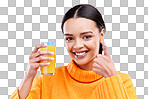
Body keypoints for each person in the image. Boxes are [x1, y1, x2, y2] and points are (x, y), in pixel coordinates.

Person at [10, 4, 137, 99]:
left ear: (101, 34)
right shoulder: (46, 81)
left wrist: (111, 78)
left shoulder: (122, 81)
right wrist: (29, 75)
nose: (77, 45)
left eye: (86, 37)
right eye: (70, 38)